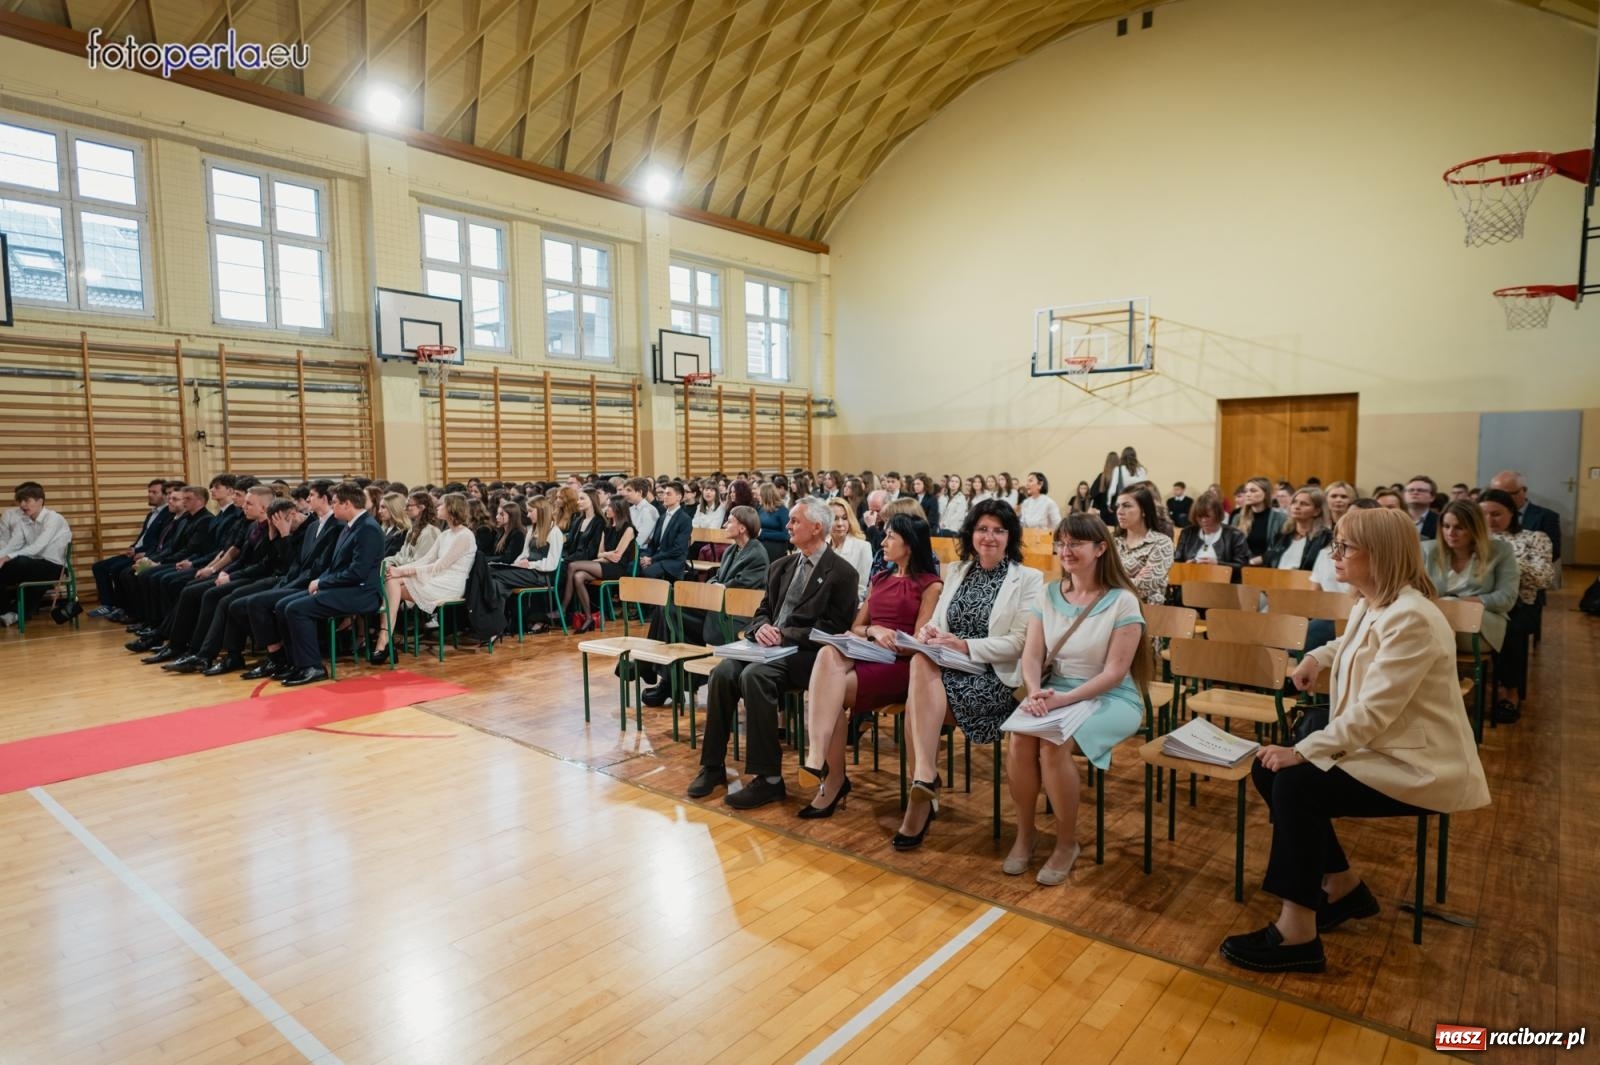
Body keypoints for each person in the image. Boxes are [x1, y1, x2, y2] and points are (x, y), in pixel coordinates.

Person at [1222, 507, 1489, 974]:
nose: (1335, 555)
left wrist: (1301, 751)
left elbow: (1373, 714)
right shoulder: (1373, 600)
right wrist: (1317, 658)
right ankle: (1342, 886)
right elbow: (1354, 646)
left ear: (1381, 554)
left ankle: (1297, 932)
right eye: (1335, 545)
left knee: (1296, 784)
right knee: (1272, 772)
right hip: (1382, 747)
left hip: (1418, 764)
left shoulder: (1413, 618)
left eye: (1345, 547)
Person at [687, 497, 858, 810]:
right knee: (723, 673)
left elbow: (834, 628)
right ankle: (712, 766)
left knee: (755, 677)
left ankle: (769, 780)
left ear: (817, 527)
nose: (787, 526)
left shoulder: (842, 573)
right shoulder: (782, 566)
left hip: (809, 656)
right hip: (768, 647)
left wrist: (784, 634)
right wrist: (761, 628)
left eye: (795, 521)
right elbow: (763, 610)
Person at [1008, 513, 1151, 884]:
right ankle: (1026, 834)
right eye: (1061, 543)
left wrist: (1061, 700)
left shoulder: (1122, 601)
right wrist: (1035, 689)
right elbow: (1032, 655)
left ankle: (1066, 843)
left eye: (1075, 544)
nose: (1065, 551)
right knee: (1020, 738)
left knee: (1053, 745)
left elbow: (1115, 673)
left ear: (1101, 548)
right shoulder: (1049, 593)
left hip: (1111, 697)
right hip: (1055, 690)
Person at [892, 499, 1042, 850]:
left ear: (1010, 536)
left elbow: (1020, 642)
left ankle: (922, 793)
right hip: (949, 668)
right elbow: (939, 620)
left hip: (993, 678)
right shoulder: (957, 569)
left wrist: (964, 646)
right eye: (982, 529)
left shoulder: (1028, 579)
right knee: (918, 662)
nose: (989, 537)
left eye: (998, 530)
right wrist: (929, 632)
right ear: (970, 533)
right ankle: (924, 778)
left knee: (916, 705)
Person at [798, 514, 943, 818]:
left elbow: (918, 640)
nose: (884, 542)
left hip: (901, 665)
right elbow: (856, 627)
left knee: (827, 694)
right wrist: (874, 631)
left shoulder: (931, 585)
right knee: (826, 655)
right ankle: (821, 761)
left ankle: (831, 776)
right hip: (870, 653)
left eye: (891, 536)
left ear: (911, 544)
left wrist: (884, 638)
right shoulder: (881, 579)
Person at [639, 505, 772, 706]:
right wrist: (716, 586)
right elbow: (716, 579)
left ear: (743, 527)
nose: (725, 524)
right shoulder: (732, 550)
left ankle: (663, 678)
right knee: (667, 607)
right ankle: (669, 680)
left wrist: (718, 587)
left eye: (730, 521)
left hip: (736, 618)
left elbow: (738, 588)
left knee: (672, 612)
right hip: (719, 608)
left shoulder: (757, 554)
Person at [276, 483, 385, 686]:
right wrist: (320, 582)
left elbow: (358, 572)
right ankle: (296, 663)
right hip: (346, 587)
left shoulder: (367, 529)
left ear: (348, 504)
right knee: (283, 605)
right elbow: (336, 566)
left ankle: (313, 667)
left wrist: (323, 582)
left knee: (297, 609)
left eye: (334, 503)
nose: (332, 507)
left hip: (362, 593)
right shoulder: (351, 526)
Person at [368, 492, 478, 663]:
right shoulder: (445, 534)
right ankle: (385, 639)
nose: (437, 507)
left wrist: (401, 572)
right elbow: (425, 560)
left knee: (393, 581)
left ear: (452, 509)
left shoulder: (465, 535)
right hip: (437, 578)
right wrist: (397, 570)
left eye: (441, 505)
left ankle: (384, 638)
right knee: (392, 579)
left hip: (451, 582)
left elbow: (439, 566)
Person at [1478, 488, 1552, 723]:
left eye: (1496, 514)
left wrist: (1509, 564)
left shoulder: (1534, 538)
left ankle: (1510, 693)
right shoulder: (1473, 538)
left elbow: (1543, 577)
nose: (1490, 520)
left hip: (1520, 603)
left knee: (1511, 630)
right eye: (1484, 514)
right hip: (1480, 599)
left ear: (1512, 513)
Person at [1421, 499, 1517, 655]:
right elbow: (1414, 590)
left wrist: (1458, 603)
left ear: (1474, 529)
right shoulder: (1427, 550)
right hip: (1433, 622)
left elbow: (1506, 598)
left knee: (1421, 639)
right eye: (1446, 526)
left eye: (1459, 527)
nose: (1450, 533)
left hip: (1479, 628)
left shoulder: (1500, 551)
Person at [89, 479, 173, 619]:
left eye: (154, 492)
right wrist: (133, 547)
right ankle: (108, 604)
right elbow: (144, 535)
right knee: (99, 566)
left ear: (164, 495)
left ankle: (126, 608)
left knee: (120, 570)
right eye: (149, 491)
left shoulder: (168, 515)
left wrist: (143, 552)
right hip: (138, 550)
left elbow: (159, 542)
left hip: (148, 554)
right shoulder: (151, 513)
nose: (150, 495)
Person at [0, 482, 72, 627]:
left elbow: (38, 547)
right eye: (20, 501)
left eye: (26, 500)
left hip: (54, 567)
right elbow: (12, 545)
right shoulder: (24, 520)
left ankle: (10, 612)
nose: (22, 504)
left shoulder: (54, 519)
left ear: (40, 501)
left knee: (17, 562)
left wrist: (8, 557)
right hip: (34, 565)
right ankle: (7, 612)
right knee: (7, 567)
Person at [491, 497, 565, 633]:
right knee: (496, 582)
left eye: (531, 511)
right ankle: (506, 624)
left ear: (541, 511)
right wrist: (517, 563)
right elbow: (524, 553)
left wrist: (530, 564)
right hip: (527, 571)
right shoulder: (532, 530)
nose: (528, 514)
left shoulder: (554, 532)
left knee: (493, 573)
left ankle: (499, 626)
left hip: (541, 576)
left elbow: (551, 564)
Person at [566, 498, 636, 633]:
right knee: (578, 576)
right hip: (605, 565)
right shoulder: (607, 527)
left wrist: (605, 554)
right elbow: (599, 554)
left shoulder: (629, 529)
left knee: (572, 566)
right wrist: (606, 554)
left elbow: (617, 557)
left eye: (610, 506)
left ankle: (563, 607)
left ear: (618, 509)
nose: (606, 509)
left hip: (618, 569)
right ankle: (588, 618)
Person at [1112, 486, 1174, 604]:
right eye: (1118, 506)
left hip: (1147, 611)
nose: (1119, 511)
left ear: (1144, 510)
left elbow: (1144, 587)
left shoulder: (1161, 543)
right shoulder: (1113, 542)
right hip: (1112, 607)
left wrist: (1112, 581)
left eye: (1127, 506)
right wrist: (1134, 579)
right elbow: (1096, 580)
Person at [1264, 487, 1332, 572]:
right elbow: (1268, 563)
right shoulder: (1281, 535)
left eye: (1304, 504)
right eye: (1294, 502)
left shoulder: (1327, 538)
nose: (1297, 506)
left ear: (1317, 511)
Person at [1173, 491, 1250, 568]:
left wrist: (1218, 564)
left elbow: (1242, 566)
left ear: (1217, 514)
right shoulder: (1187, 533)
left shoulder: (1235, 535)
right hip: (1191, 577)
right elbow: (1177, 561)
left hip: (1222, 578)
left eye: (1207, 516)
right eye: (1199, 516)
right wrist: (1186, 565)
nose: (1203, 520)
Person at [638, 481, 692, 581]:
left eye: (669, 494)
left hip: (672, 562)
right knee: (632, 566)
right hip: (658, 558)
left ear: (679, 497)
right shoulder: (662, 517)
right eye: (664, 494)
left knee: (646, 573)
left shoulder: (685, 519)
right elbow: (653, 543)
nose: (665, 497)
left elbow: (678, 549)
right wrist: (644, 556)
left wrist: (652, 559)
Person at [1230, 476, 1285, 566]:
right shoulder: (1238, 518)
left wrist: (1261, 559)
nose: (1247, 494)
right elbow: (1232, 546)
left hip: (1269, 568)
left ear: (1265, 494)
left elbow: (1280, 547)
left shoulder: (1280, 518)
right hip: (1242, 567)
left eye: (1253, 491)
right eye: (1246, 491)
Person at [826, 498, 873, 601]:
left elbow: (861, 589)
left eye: (844, 518)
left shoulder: (863, 547)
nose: (840, 523)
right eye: (835, 518)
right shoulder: (822, 545)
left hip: (846, 607)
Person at [757, 482, 791, 562]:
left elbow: (786, 535)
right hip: (761, 545)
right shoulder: (761, 509)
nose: (758, 497)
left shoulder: (782, 511)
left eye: (760, 495)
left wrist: (763, 533)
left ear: (766, 496)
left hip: (776, 546)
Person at [487, 501, 528, 565]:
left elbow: (509, 558)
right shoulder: (501, 532)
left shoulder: (518, 534)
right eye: (497, 514)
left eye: (501, 514)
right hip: (499, 565)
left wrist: (487, 559)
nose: (497, 517)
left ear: (512, 516)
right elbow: (494, 552)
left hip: (510, 567)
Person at [1403, 475, 1439, 540]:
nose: (1415, 492)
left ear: (1432, 497)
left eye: (1421, 490)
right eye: (1411, 490)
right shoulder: (1395, 519)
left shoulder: (1439, 521)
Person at [1089, 452, 1119, 524]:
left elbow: (1092, 493)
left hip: (1103, 514)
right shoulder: (1120, 478)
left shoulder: (1101, 477)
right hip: (1117, 513)